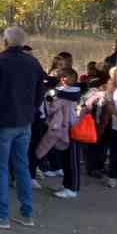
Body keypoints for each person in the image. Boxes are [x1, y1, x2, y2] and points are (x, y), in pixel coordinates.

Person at [0, 26, 46, 231]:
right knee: (22, 167)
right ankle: (26, 213)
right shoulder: (33, 62)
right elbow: (40, 92)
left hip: (2, 121)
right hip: (24, 121)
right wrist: (30, 110)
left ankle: (1, 216)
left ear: (5, 41)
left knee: (0, 169)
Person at [37, 67, 82, 199]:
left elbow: (51, 105)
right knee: (66, 160)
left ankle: (72, 188)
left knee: (72, 160)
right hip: (66, 127)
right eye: (61, 77)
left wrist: (51, 94)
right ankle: (67, 185)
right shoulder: (65, 91)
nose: (62, 79)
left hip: (72, 128)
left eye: (65, 76)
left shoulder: (71, 91)